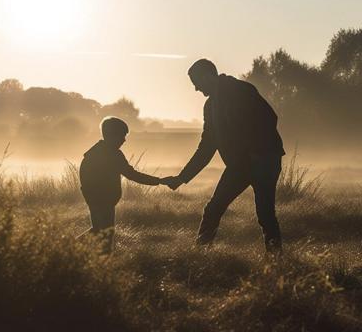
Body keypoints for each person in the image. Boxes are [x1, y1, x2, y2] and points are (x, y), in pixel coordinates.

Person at [164, 59, 286, 255]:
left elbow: (269, 118)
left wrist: (256, 152)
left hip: (264, 161)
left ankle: (276, 262)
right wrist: (182, 177)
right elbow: (207, 147)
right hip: (240, 165)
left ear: (207, 76)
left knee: (265, 214)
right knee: (213, 209)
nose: (196, 88)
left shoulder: (241, 90)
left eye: (196, 82)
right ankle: (200, 257)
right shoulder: (210, 106)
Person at [80, 116, 170, 253]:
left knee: (99, 230)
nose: (124, 140)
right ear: (111, 135)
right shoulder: (113, 155)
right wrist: (159, 181)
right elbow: (132, 175)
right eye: (121, 136)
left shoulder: (94, 153)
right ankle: (102, 263)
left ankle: (67, 250)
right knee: (106, 234)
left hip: (96, 199)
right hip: (103, 200)